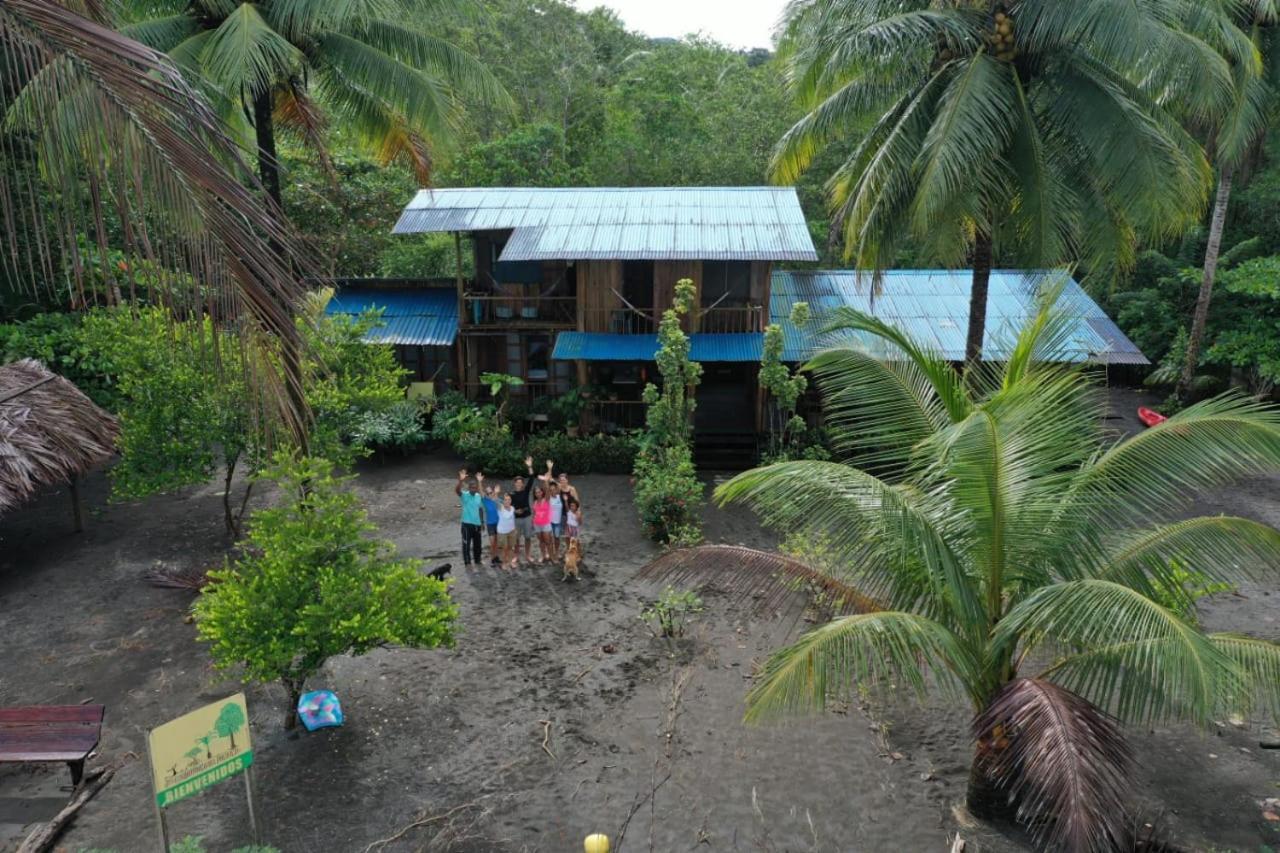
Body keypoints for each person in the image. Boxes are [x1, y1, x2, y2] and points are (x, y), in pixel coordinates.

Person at [454, 469, 485, 568]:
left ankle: (477, 560)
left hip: (477, 524)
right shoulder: (465, 495)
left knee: (478, 544)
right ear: (469, 488)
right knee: (466, 544)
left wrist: (482, 522)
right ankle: (467, 562)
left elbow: (480, 509)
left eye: (475, 488)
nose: (473, 489)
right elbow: (457, 490)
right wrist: (461, 480)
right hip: (466, 524)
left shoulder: (478, 496)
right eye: (471, 487)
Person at [510, 456, 537, 564]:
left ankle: (528, 555)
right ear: (515, 483)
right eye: (517, 482)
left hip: (527, 517)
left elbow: (531, 478)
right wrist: (515, 511)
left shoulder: (526, 491)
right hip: (516, 519)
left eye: (521, 482)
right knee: (516, 539)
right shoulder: (511, 494)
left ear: (522, 484)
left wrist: (529, 466)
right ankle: (516, 556)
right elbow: (509, 507)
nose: (519, 484)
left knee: (528, 537)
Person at [531, 484, 553, 563]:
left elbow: (548, 492)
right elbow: (534, 513)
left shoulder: (546, 499)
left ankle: (550, 556)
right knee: (541, 541)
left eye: (539, 492)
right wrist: (532, 523)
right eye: (536, 493)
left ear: (542, 492)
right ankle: (543, 555)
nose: (538, 494)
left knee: (548, 541)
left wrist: (546, 482)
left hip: (546, 524)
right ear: (535, 494)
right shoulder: (535, 502)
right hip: (537, 524)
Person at [495, 493, 517, 569]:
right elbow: (495, 500)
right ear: (503, 501)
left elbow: (512, 519)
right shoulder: (500, 507)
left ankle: (510, 561)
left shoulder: (513, 508)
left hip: (511, 531)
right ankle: (504, 562)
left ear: (511, 501)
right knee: (504, 548)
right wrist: (496, 492)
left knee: (511, 547)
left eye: (509, 499)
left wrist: (514, 529)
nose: (507, 501)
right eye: (505, 500)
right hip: (502, 532)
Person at [482, 484, 501, 565]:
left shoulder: (497, 499)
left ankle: (496, 557)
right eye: (488, 493)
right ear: (486, 494)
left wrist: (496, 494)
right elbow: (480, 491)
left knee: (496, 542)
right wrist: (480, 482)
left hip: (498, 523)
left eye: (491, 492)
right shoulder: (485, 500)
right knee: (492, 542)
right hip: (490, 524)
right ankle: (492, 559)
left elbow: (502, 505)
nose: (490, 494)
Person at [547, 481, 563, 562]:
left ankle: (556, 552)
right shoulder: (548, 498)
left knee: (557, 538)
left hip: (558, 522)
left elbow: (560, 486)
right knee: (550, 539)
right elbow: (545, 488)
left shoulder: (559, 497)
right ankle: (551, 553)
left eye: (554, 489)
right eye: (551, 489)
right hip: (550, 522)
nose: (552, 491)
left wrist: (553, 480)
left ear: (556, 489)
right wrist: (547, 479)